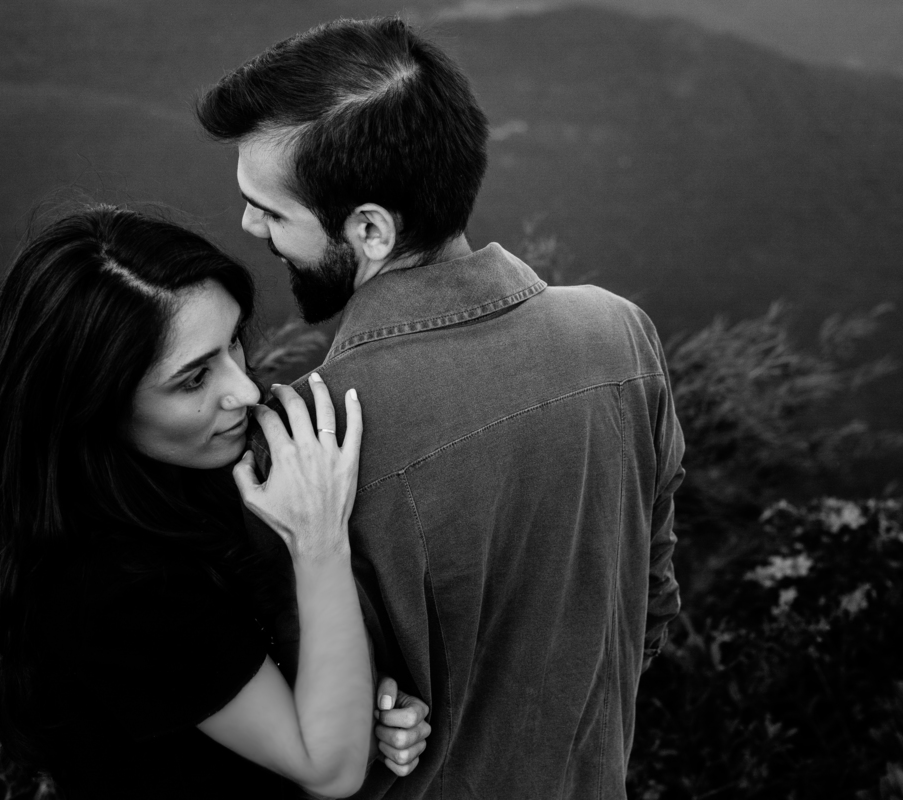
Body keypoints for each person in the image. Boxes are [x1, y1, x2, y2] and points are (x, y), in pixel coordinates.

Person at [196, 16, 685, 799]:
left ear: (370, 230)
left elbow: (311, 737)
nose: (250, 225)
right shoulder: (620, 336)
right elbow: (648, 607)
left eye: (272, 211)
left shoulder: (299, 443)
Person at [0, 206, 430, 799]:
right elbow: (329, 769)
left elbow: (293, 714)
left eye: (234, 342)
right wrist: (320, 541)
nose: (245, 390)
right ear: (92, 409)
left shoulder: (180, 486)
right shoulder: (110, 585)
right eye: (194, 379)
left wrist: (358, 704)